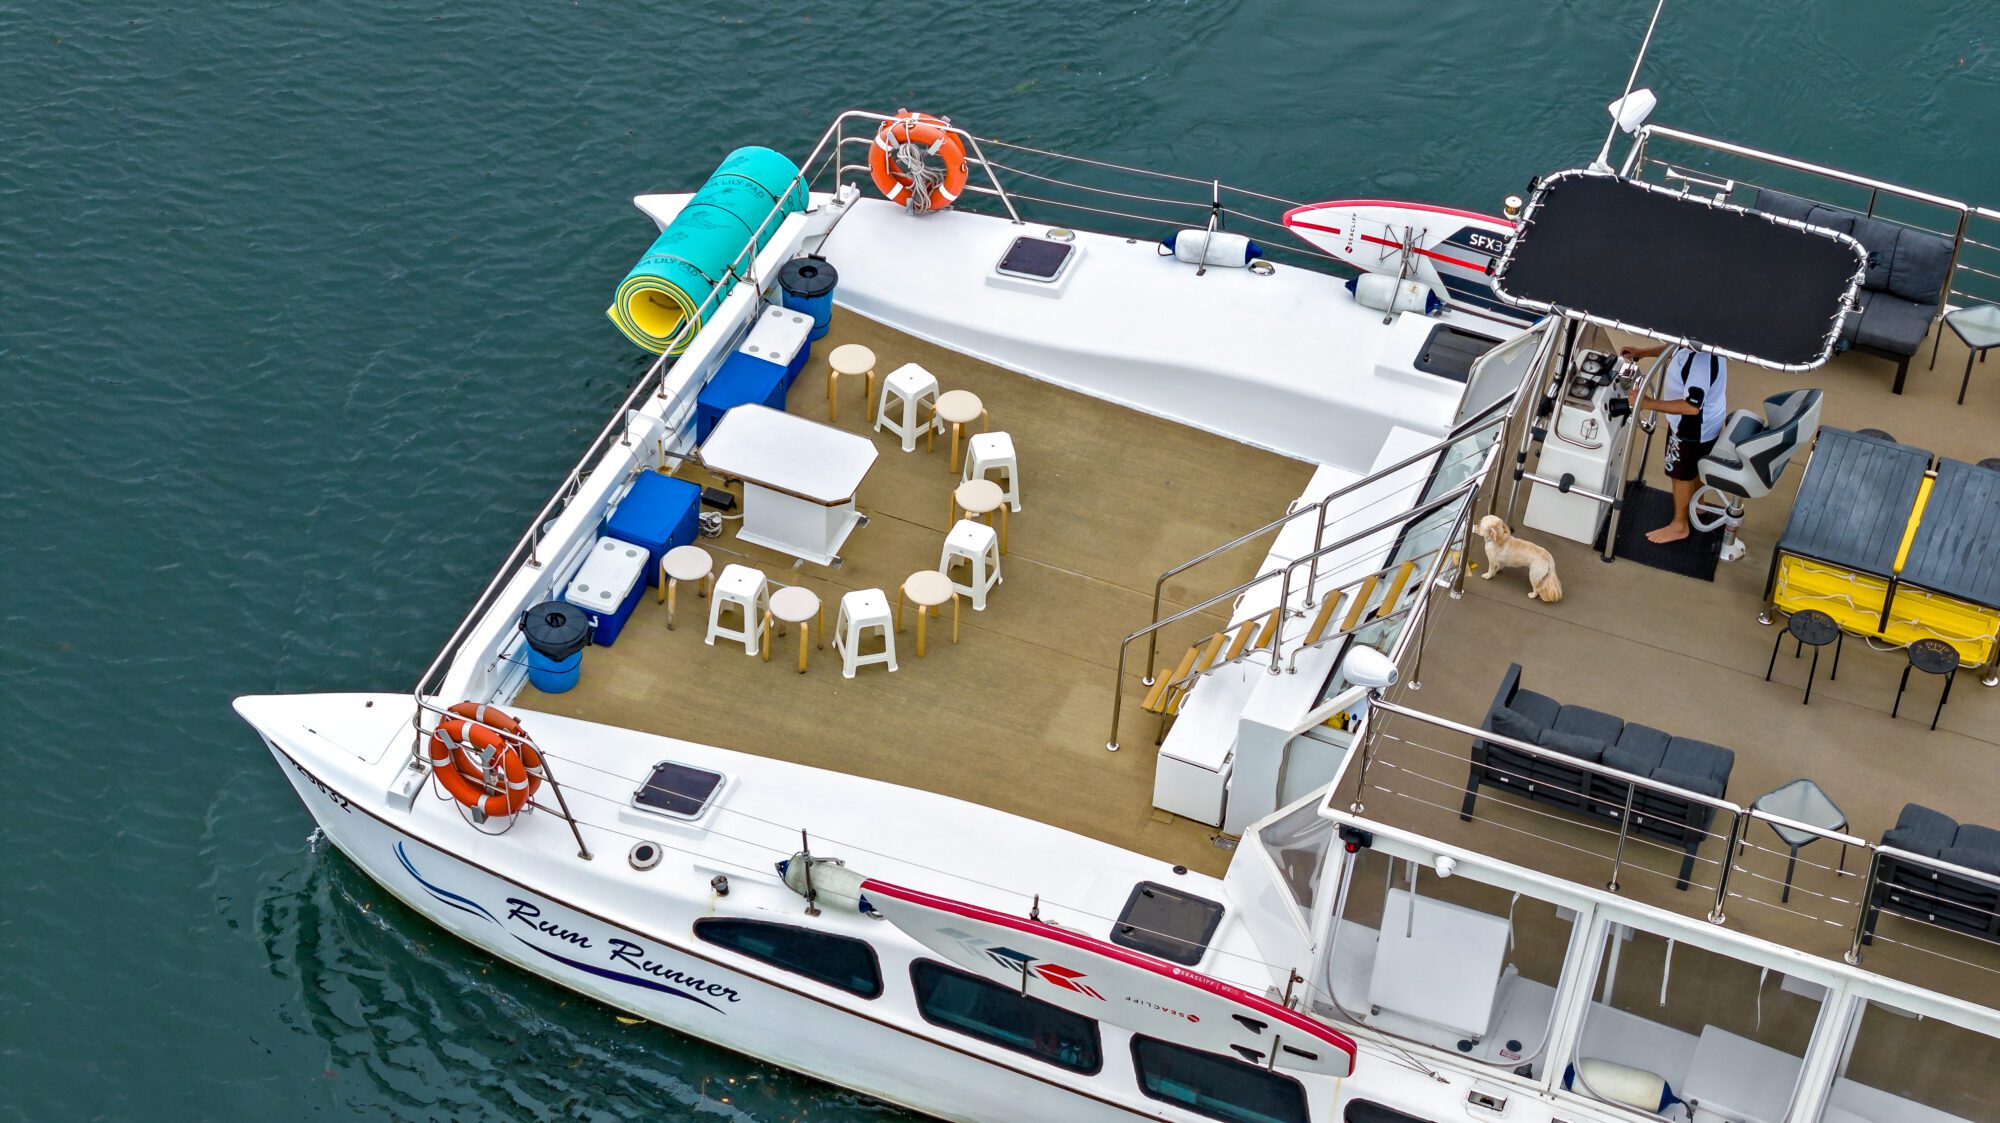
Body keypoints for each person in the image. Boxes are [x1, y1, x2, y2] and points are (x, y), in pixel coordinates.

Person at [1623, 343, 1728, 544]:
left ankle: (1679, 525)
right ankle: (1699, 504)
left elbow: (1691, 407)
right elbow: (1674, 348)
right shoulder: (1701, 343)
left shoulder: (1700, 362)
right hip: (1708, 423)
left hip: (1690, 428)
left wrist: (1647, 403)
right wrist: (1642, 352)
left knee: (1679, 474)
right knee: (1697, 466)